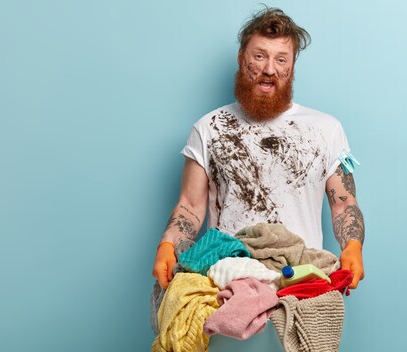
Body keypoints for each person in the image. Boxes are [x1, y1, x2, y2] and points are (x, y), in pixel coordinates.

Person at [152, 7, 365, 291]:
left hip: (302, 281)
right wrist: (168, 245)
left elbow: (344, 203)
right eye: (259, 56)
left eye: (281, 59)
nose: (269, 69)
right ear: (241, 58)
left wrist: (352, 246)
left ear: (292, 66)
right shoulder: (208, 128)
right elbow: (190, 206)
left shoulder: (327, 129)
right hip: (226, 284)